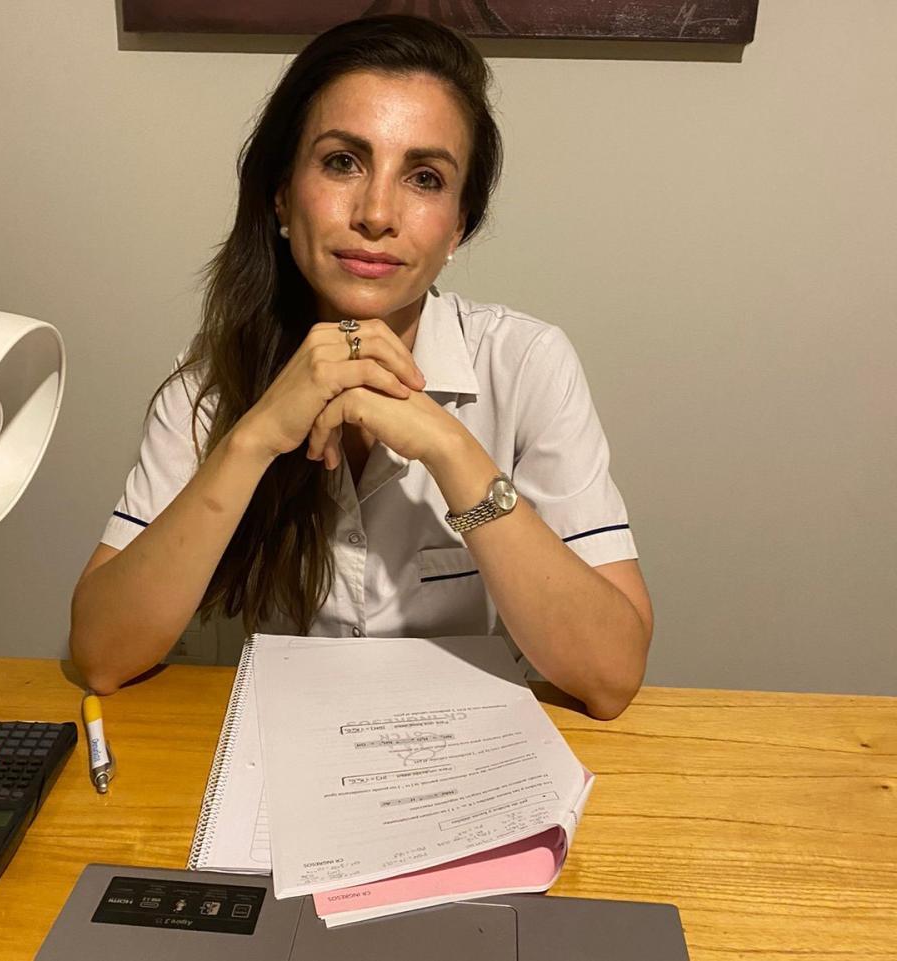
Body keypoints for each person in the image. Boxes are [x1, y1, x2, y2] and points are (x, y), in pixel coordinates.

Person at [69, 14, 653, 720]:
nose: (377, 213)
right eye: (343, 161)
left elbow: (610, 676)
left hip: (458, 750)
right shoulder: (212, 381)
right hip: (276, 749)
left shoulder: (526, 364)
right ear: (282, 194)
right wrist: (253, 439)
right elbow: (102, 654)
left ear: (459, 226)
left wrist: (451, 450)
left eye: (425, 178)